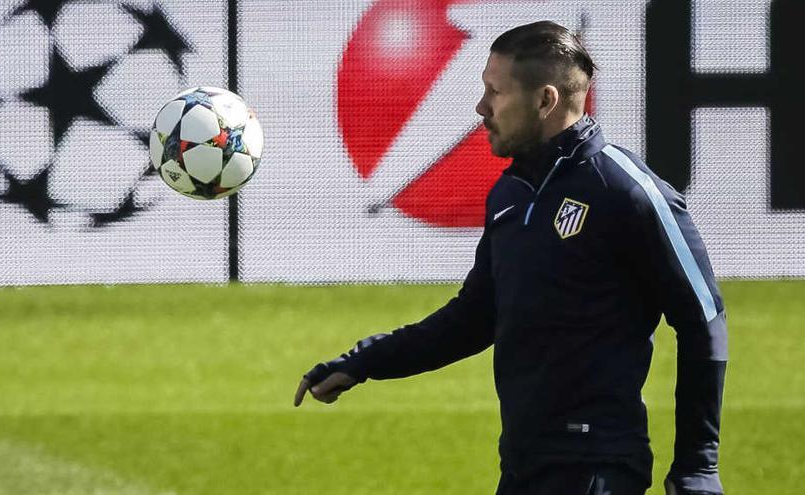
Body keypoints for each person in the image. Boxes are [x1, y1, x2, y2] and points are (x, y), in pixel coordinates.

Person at [293, 21, 727, 495]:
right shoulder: (510, 194)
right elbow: (475, 317)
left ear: (545, 101)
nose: (481, 108)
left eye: (494, 92)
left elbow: (703, 318)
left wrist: (697, 466)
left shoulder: (628, 192)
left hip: (596, 468)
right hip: (523, 466)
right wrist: (366, 361)